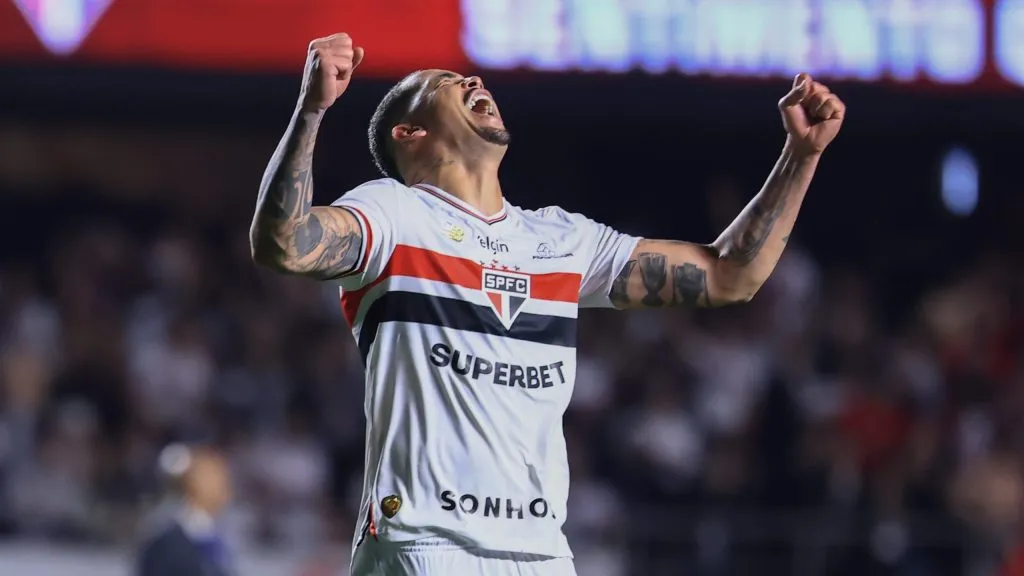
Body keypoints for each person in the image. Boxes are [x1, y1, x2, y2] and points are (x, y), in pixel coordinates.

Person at [249, 33, 845, 576]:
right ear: (410, 133)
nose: (475, 83)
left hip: (540, 551)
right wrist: (312, 111)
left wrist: (801, 155)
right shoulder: (393, 213)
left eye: (474, 80)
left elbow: (728, 276)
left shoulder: (561, 240)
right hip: (425, 544)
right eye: (447, 85)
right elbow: (285, 243)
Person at [136, 445, 235, 576]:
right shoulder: (167, 539)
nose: (224, 486)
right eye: (216, 476)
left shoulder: (212, 534)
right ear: (193, 483)